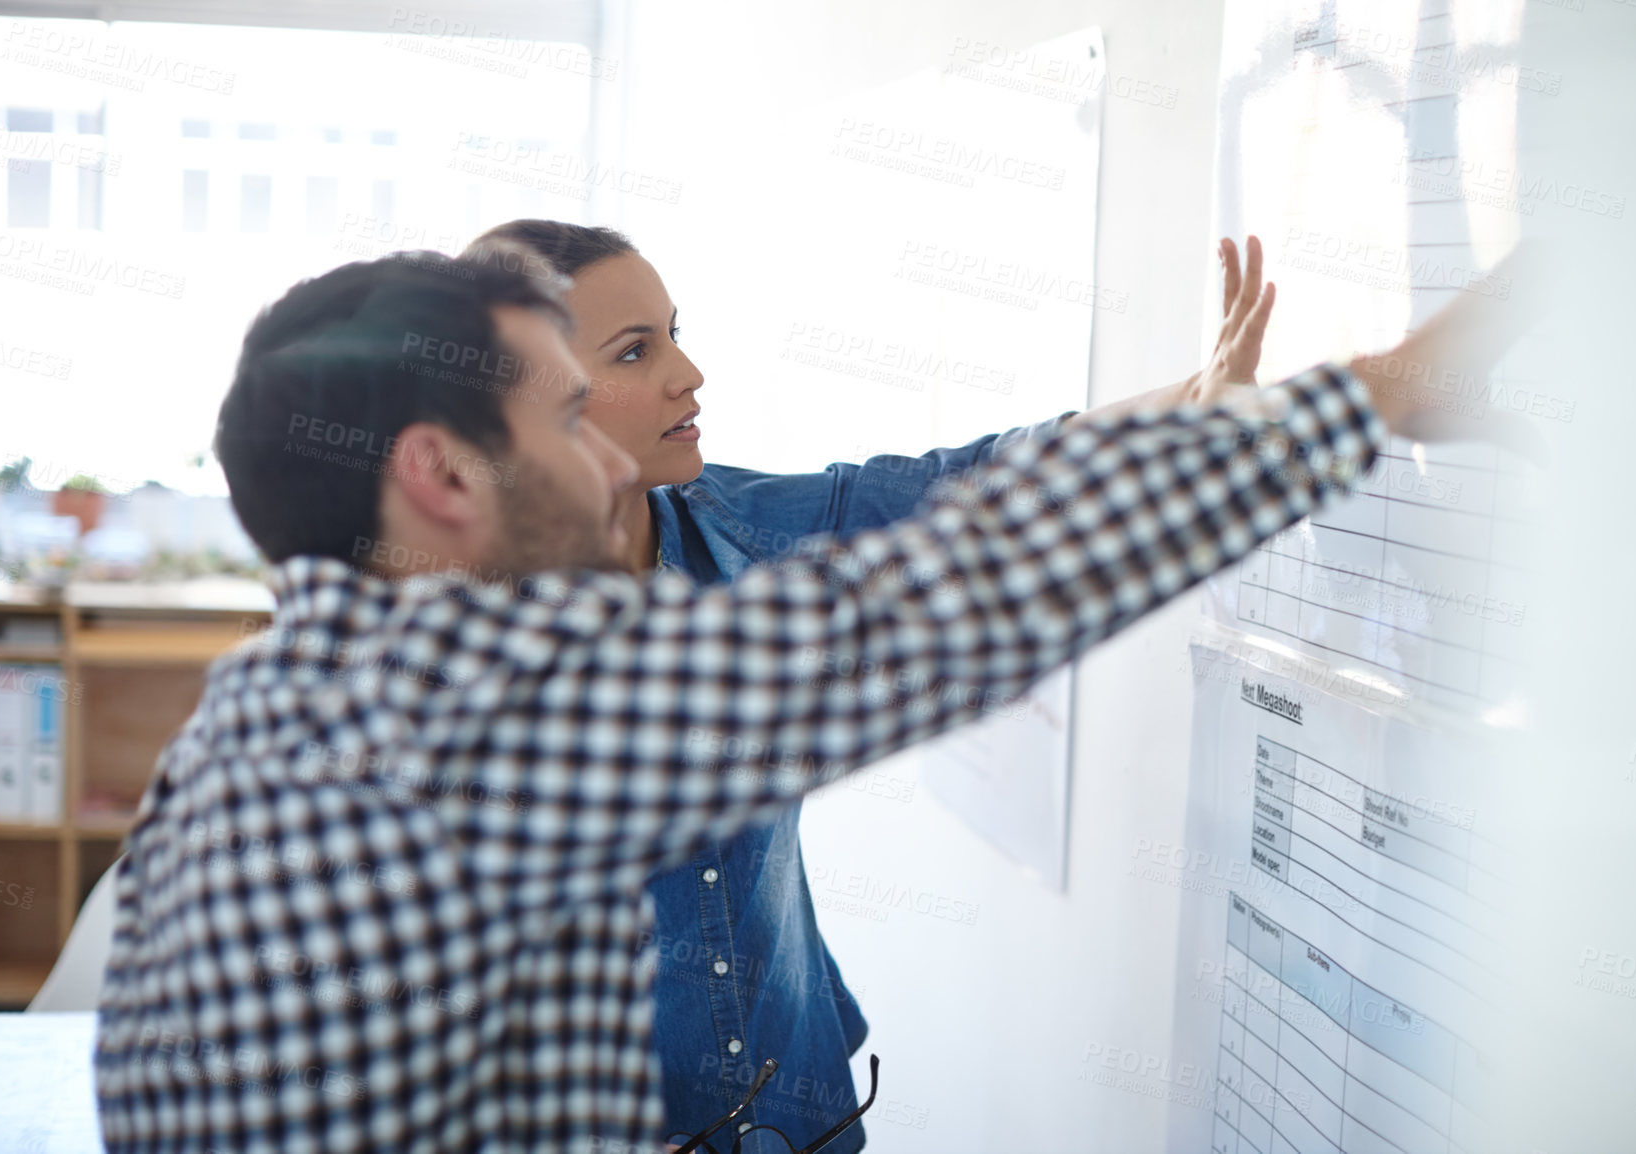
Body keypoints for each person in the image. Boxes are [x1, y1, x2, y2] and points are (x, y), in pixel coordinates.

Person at [93, 239, 1530, 1153]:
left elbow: (933, 514)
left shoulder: (277, 703)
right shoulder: (456, 730)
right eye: (563, 414)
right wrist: (1386, 389)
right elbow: (956, 599)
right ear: (442, 472)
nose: (612, 464)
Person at [460, 219, 1281, 1151]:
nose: (688, 373)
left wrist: (1191, 400)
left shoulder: (731, 529)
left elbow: (964, 482)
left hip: (800, 1111)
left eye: (676, 333)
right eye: (636, 351)